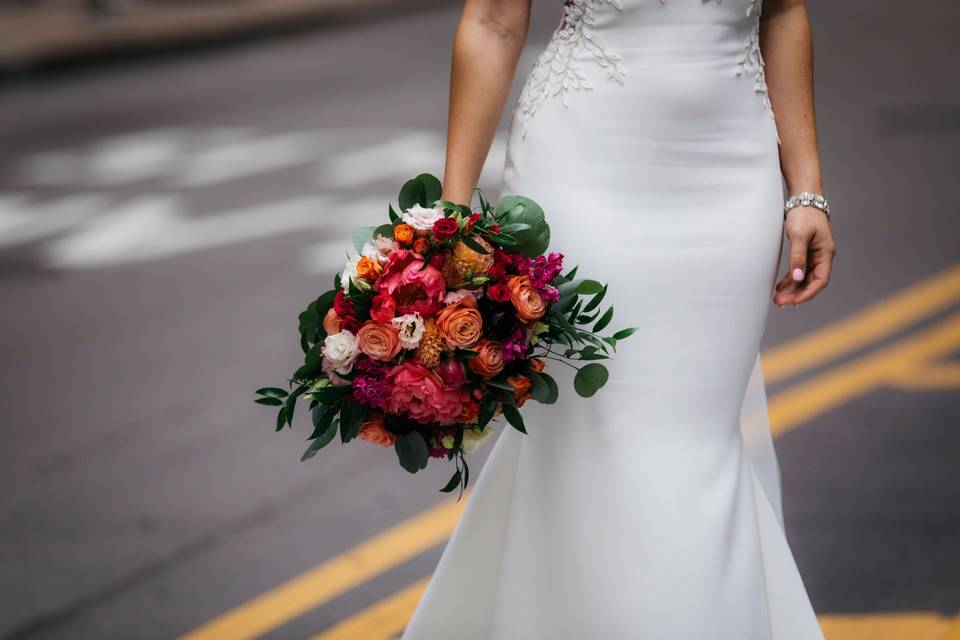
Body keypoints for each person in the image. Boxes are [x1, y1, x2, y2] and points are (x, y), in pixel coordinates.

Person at [402, 0, 835, 637]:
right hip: (583, 167)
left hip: (730, 178)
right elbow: (494, 18)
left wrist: (806, 189)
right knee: (602, 441)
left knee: (696, 448)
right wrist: (451, 215)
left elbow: (784, 9)